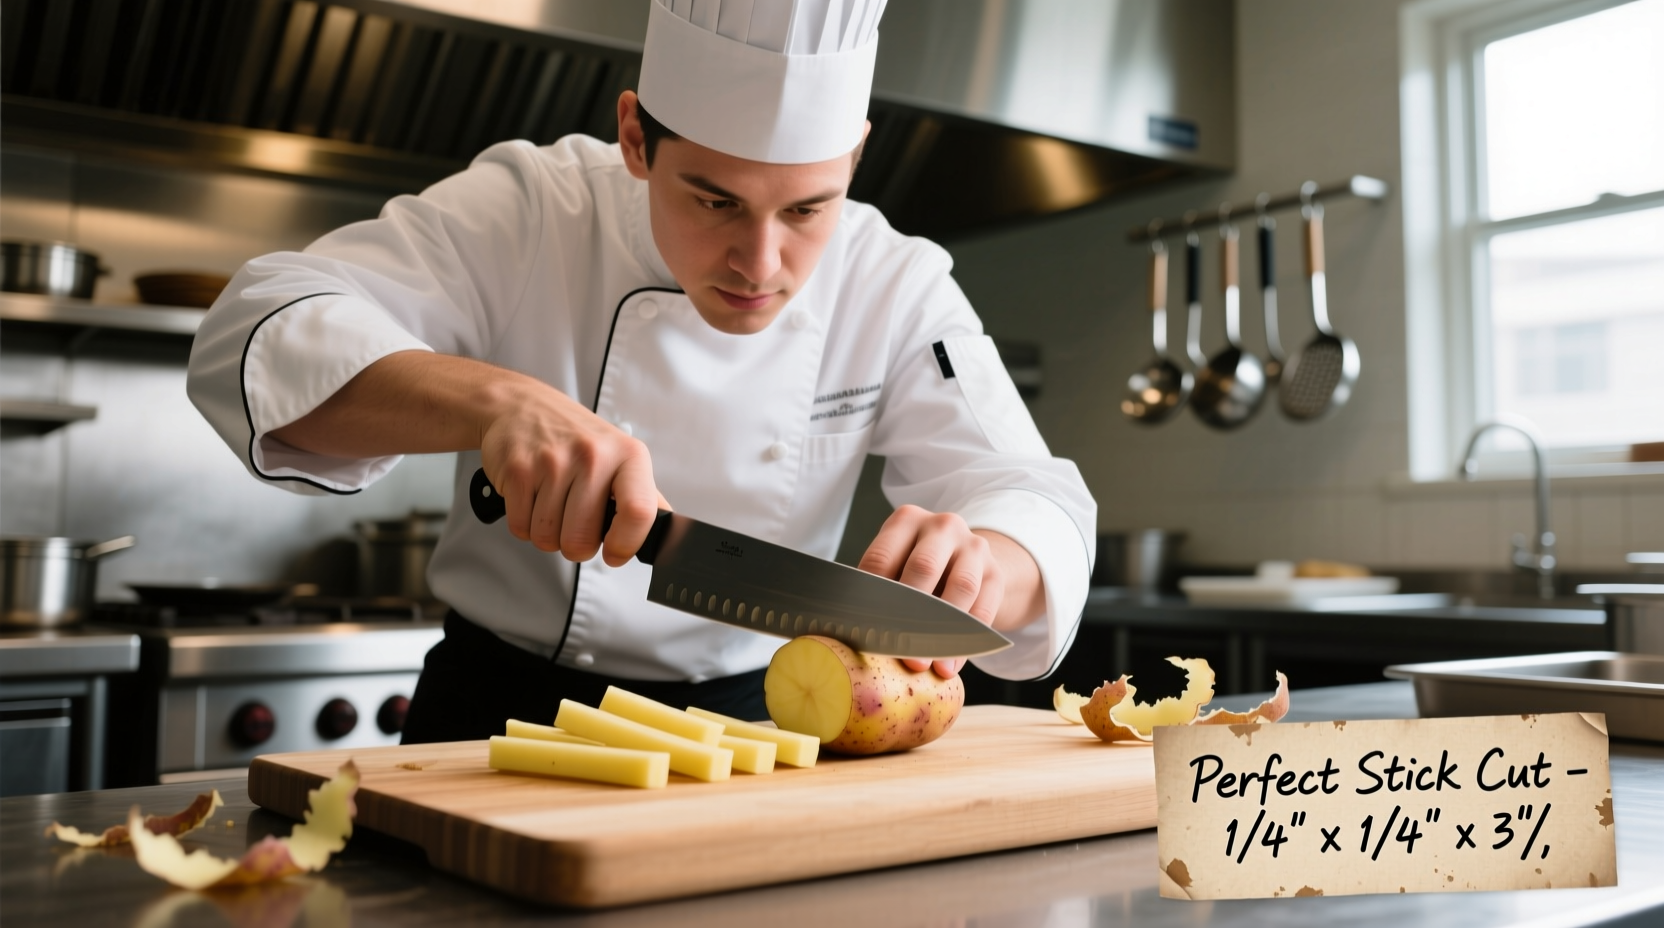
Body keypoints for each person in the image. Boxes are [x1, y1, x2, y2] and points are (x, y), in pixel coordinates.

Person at [186, 0, 1095, 743]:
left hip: (764, 731)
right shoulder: (532, 209)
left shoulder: (893, 281)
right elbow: (257, 327)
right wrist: (495, 401)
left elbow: (1031, 494)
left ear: (855, 157)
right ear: (634, 138)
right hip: (495, 719)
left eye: (810, 208)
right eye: (714, 200)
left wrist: (981, 566)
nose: (761, 262)